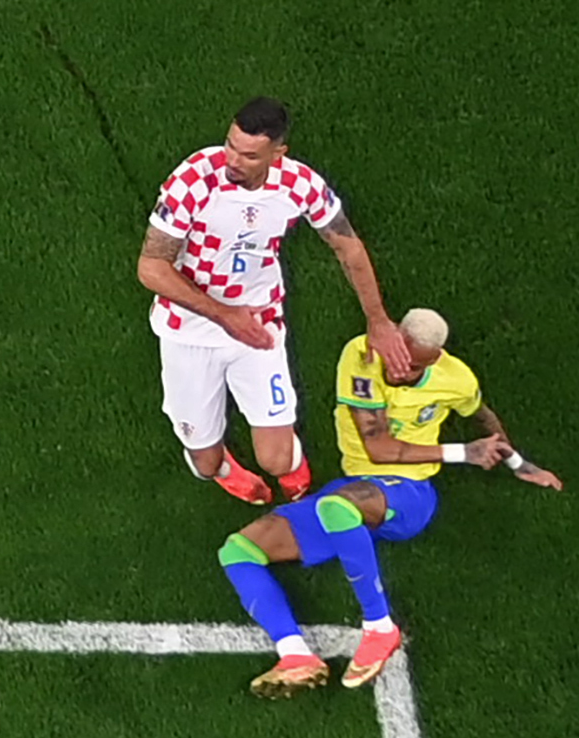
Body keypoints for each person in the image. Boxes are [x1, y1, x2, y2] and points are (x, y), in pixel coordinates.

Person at [218, 315, 561, 696]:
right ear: (394, 338)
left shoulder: (456, 378)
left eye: (417, 367)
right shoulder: (361, 357)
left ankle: (380, 627)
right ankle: (295, 654)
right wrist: (464, 452)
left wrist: (520, 464)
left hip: (410, 494)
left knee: (336, 508)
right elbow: (378, 449)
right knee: (238, 550)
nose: (404, 372)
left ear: (435, 360)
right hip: (355, 487)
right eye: (403, 359)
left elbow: (481, 415)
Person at [139, 97, 413, 506]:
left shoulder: (299, 184)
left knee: (277, 459)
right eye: (230, 145)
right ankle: (223, 467)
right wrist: (226, 316)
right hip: (188, 329)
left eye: (249, 155)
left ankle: (288, 463)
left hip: (260, 320)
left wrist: (378, 321)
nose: (232, 160)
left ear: (277, 153)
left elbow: (348, 247)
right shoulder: (194, 180)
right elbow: (151, 268)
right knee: (206, 463)